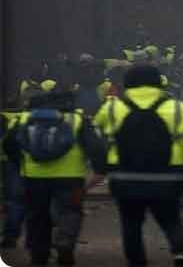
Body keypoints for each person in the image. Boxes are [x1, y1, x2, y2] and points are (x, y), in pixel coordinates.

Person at [93, 65, 183, 267]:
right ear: (159, 82)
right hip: (169, 176)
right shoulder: (178, 108)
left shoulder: (111, 107)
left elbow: (95, 139)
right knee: (171, 218)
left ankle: (137, 261)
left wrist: (102, 166)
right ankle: (179, 254)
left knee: (131, 224)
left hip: (124, 176)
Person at [8, 91, 107, 266]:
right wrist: (99, 170)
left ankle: (39, 254)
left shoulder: (23, 118)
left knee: (37, 216)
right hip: (70, 178)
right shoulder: (77, 119)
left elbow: (9, 145)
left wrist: (21, 164)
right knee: (70, 212)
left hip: (33, 178)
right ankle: (65, 243)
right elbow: (96, 147)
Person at [0, 111, 25, 250]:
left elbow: (8, 143)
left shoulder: (13, 118)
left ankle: (10, 237)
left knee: (15, 201)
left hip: (13, 163)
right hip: (41, 167)